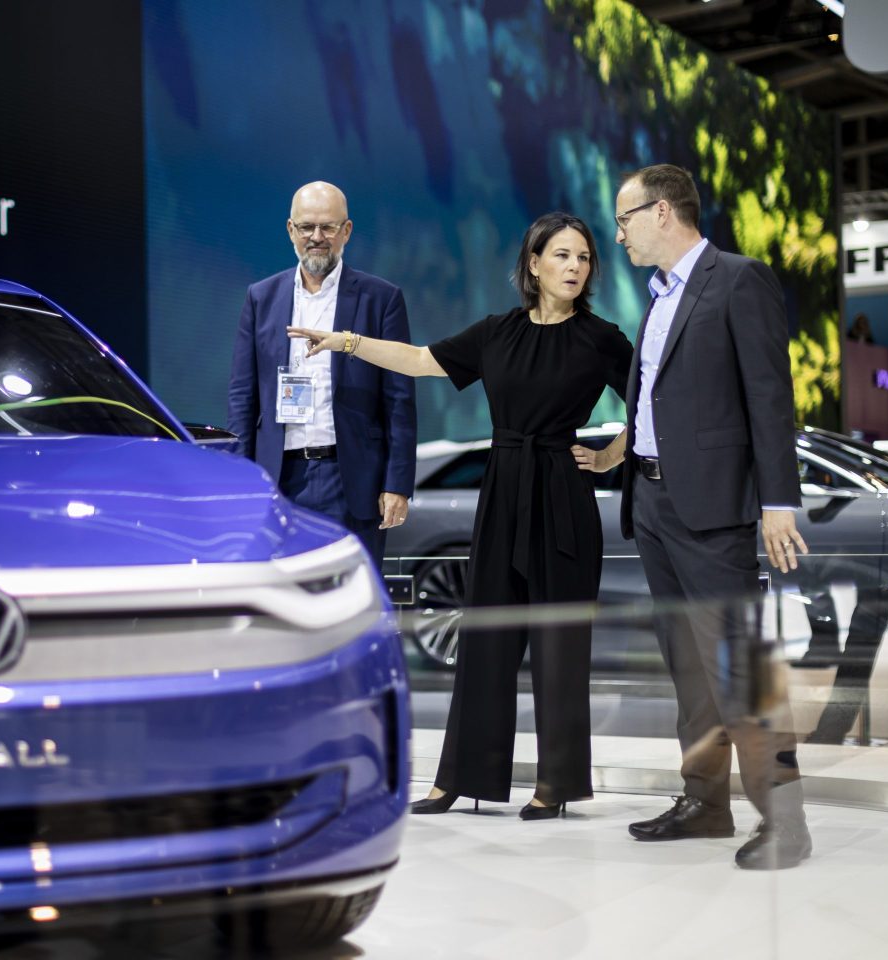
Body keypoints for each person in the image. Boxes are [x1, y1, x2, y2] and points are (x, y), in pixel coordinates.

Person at [290, 213, 633, 820]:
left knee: (559, 648)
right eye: (562, 256)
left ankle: (554, 785)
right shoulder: (497, 332)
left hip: (563, 495)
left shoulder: (602, 338)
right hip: (502, 493)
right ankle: (461, 777)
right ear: (533, 264)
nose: (575, 267)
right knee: (486, 643)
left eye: (583, 258)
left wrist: (608, 457)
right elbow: (419, 359)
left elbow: (650, 401)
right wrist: (345, 341)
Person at [613, 163, 812, 869]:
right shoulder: (660, 295)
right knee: (691, 668)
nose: (619, 234)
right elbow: (666, 403)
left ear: (663, 211)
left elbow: (769, 395)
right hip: (657, 503)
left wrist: (777, 501)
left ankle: (786, 821)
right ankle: (706, 803)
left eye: (626, 217)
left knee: (741, 665)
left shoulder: (737, 278)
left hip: (715, 509)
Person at [227, 181, 416, 561]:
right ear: (290, 230)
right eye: (307, 227)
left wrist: (397, 484)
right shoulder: (261, 297)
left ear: (346, 231)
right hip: (279, 478)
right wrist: (240, 481)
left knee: (353, 601)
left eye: (328, 227)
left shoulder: (381, 299)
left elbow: (399, 397)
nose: (317, 237)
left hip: (352, 480)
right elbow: (242, 397)